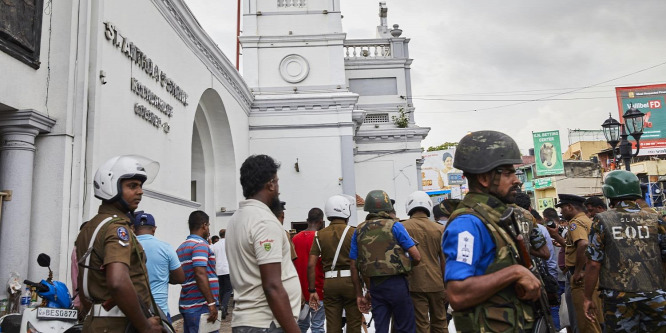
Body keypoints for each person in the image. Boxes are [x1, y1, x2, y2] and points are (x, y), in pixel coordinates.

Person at [441, 131, 544, 332]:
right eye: (507, 173)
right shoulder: (467, 224)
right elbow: (458, 294)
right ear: (484, 178)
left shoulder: (496, 216)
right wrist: (515, 272)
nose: (517, 180)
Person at [75, 155, 164, 332]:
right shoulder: (116, 229)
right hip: (119, 324)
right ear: (111, 187)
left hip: (97, 321)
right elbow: (118, 282)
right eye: (132, 186)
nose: (140, 191)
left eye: (140, 186)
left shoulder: (91, 226)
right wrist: (145, 327)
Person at [226, 155, 300, 333]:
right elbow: (272, 285)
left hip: (247, 321)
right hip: (266, 323)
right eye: (277, 182)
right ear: (271, 184)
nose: (278, 190)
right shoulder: (264, 222)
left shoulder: (237, 218)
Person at [584, 170, 666, 332]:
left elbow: (593, 264)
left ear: (609, 193)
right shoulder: (654, 219)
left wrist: (587, 297)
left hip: (619, 300)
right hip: (655, 296)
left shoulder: (602, 220)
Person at [350, 189, 421, 333]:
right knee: (405, 327)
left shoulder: (358, 230)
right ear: (388, 207)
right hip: (397, 283)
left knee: (380, 327)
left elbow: (353, 266)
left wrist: (359, 294)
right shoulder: (395, 226)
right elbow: (417, 256)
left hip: (375, 285)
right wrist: (407, 265)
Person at [547, 194, 602, 333]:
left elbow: (583, 245)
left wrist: (578, 271)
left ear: (570, 207)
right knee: (594, 319)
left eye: (562, 208)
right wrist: (558, 238)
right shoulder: (588, 221)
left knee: (585, 321)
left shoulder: (575, 223)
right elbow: (575, 247)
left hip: (581, 277)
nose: (561, 212)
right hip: (591, 274)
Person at [308, 195, 362, 333]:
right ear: (345, 211)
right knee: (354, 324)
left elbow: (311, 265)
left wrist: (312, 290)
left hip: (330, 283)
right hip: (352, 281)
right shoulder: (354, 232)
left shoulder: (319, 235)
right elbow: (362, 261)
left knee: (332, 325)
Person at [402, 191, 448, 333]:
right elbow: (445, 261)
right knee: (440, 322)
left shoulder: (402, 227)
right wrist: (446, 285)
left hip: (414, 283)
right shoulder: (440, 229)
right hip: (437, 282)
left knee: (421, 323)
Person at [134, 212, 185, 322]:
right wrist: (165, 276)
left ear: (134, 229)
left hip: (134, 312)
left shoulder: (127, 247)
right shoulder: (165, 248)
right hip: (159, 312)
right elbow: (180, 278)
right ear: (154, 229)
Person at [177, 210, 220, 333]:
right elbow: (200, 273)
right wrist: (211, 303)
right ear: (204, 225)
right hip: (201, 307)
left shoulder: (181, 247)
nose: (208, 229)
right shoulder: (200, 245)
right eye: (209, 225)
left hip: (189, 305)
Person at [291, 208, 325, 333]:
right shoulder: (320, 238)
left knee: (301, 326)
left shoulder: (295, 239)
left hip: (300, 292)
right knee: (317, 326)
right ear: (321, 222)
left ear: (307, 220)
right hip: (318, 289)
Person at [211, 229, 232, 319]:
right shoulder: (230, 244)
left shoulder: (215, 245)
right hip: (228, 269)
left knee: (222, 290)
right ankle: (223, 306)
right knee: (228, 290)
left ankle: (223, 308)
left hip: (218, 270)